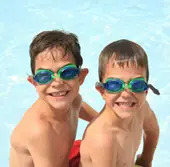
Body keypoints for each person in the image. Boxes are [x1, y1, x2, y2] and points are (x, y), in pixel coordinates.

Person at [9, 30, 98, 167]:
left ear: (81, 77)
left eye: (67, 72)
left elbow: (82, 108)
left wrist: (103, 124)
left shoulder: (74, 100)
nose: (57, 83)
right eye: (45, 76)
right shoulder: (40, 131)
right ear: (34, 83)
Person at [80, 39, 160, 167]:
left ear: (146, 90)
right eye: (114, 85)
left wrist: (146, 159)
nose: (126, 93)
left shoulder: (142, 109)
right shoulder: (104, 139)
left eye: (137, 84)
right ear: (102, 91)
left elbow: (153, 130)